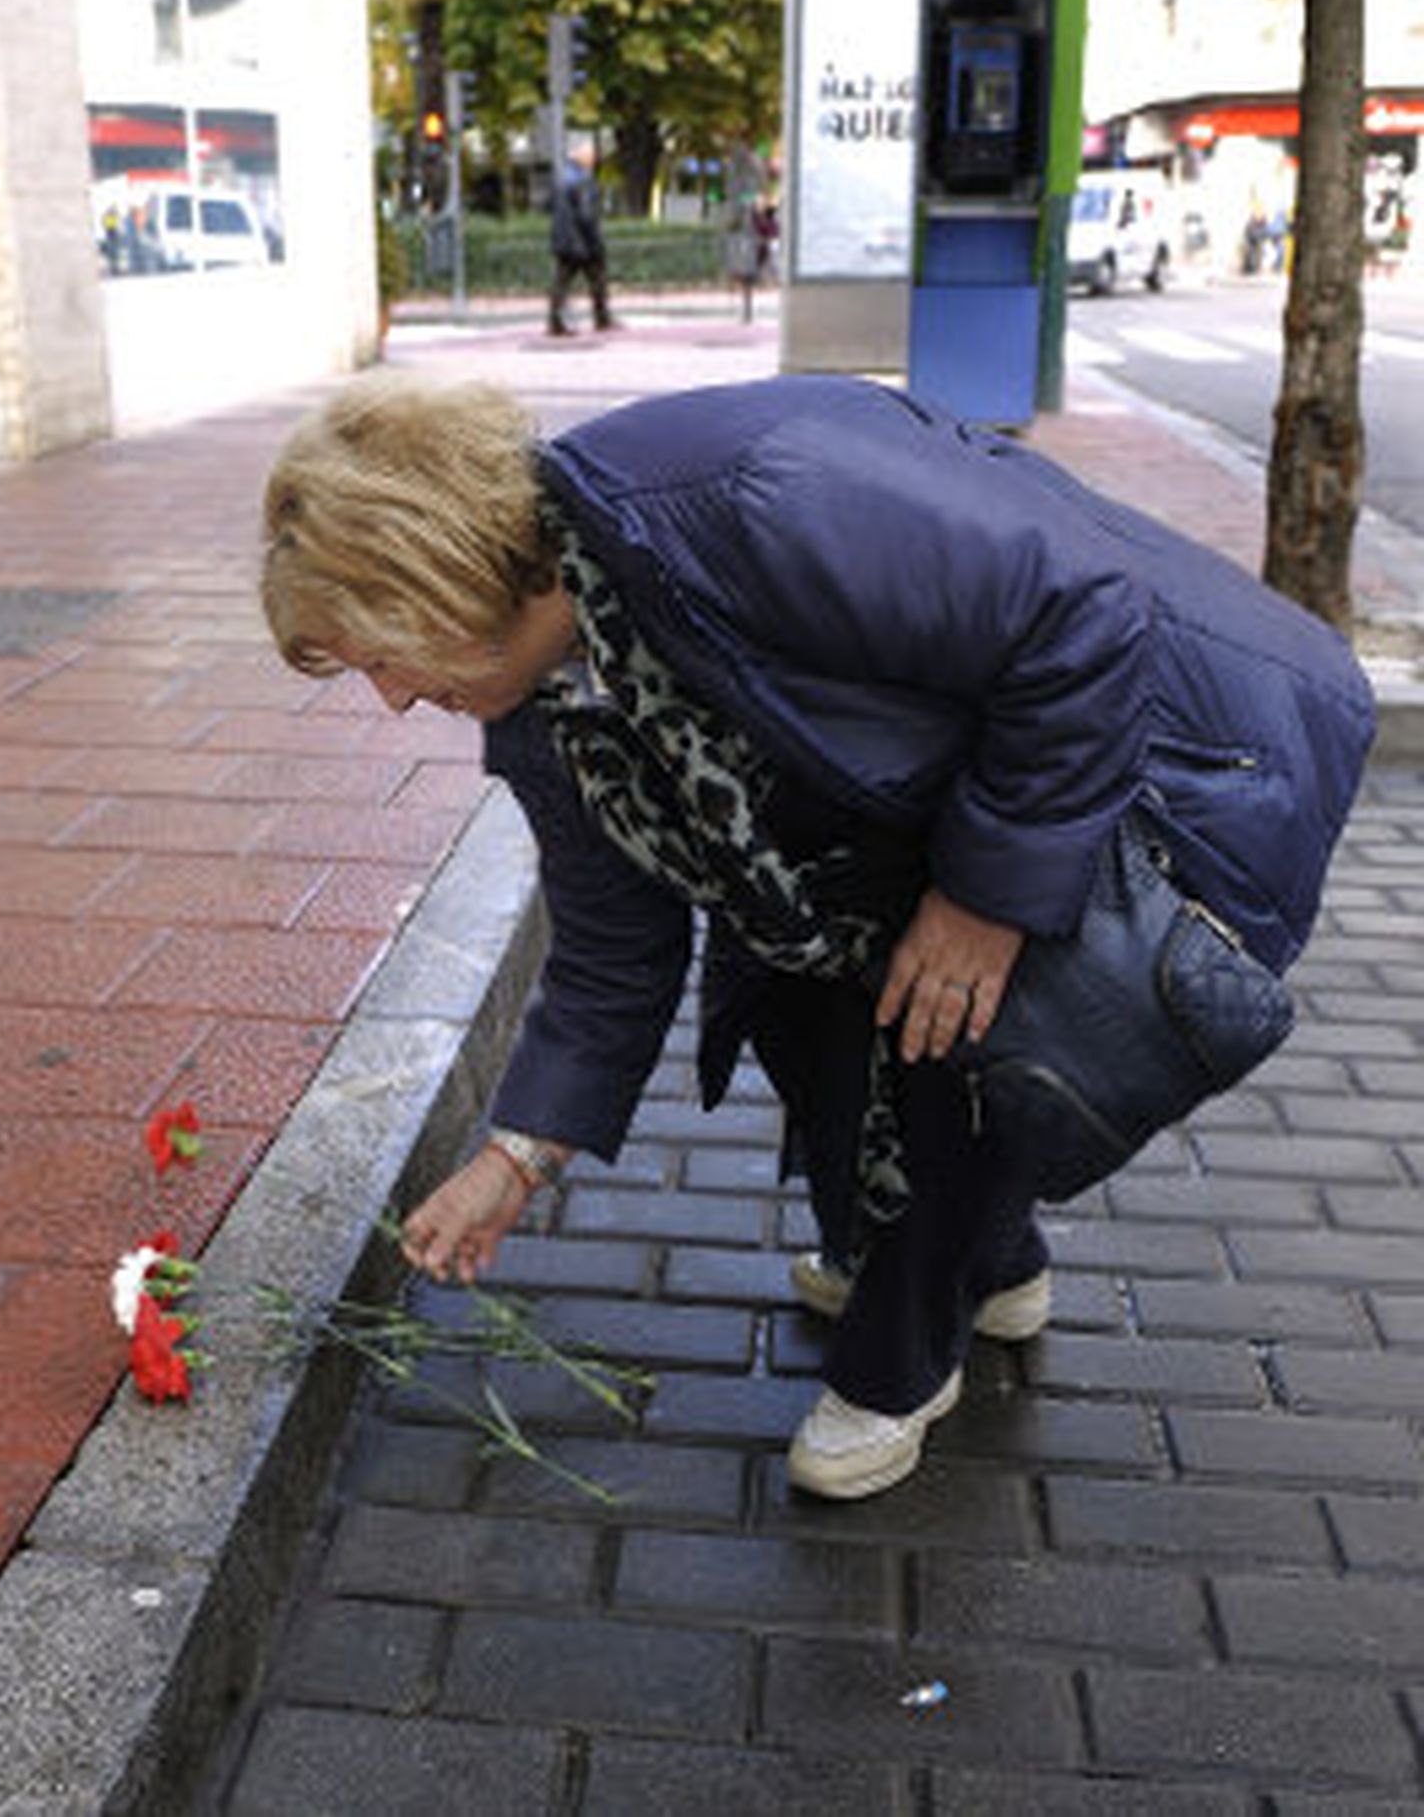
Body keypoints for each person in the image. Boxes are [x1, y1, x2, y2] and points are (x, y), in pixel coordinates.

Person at [259, 372, 1374, 1501]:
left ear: (440, 577)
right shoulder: (545, 715)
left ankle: (901, 1363)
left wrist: (985, 900)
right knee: (784, 994)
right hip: (942, 803)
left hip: (1181, 758)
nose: (392, 699)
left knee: (947, 1032)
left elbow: (1080, 617)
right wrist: (515, 1159)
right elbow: (612, 950)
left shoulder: (759, 492)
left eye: (380, 656)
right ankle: (992, 1268)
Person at [547, 149, 611, 335]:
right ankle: (602, 319)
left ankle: (556, 321)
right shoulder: (584, 180)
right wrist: (596, 241)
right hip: (582, 241)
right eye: (591, 157)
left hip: (563, 239)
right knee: (597, 280)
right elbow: (586, 214)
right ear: (585, 160)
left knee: (561, 283)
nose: (594, 160)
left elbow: (550, 207)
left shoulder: (561, 179)